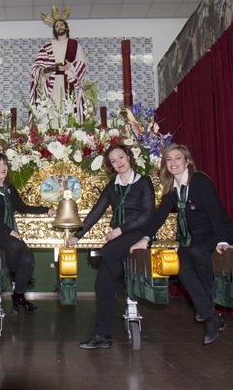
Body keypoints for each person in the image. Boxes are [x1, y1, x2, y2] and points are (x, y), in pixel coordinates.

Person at [130, 143, 233, 346]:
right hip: (194, 237)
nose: (173, 163)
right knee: (181, 265)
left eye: (177, 158)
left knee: (197, 252)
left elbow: (215, 213)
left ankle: (206, 308)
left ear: (187, 161)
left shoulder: (200, 181)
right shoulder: (173, 188)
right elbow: (159, 215)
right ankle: (211, 316)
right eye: (169, 160)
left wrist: (223, 241)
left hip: (216, 232)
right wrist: (145, 239)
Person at [69, 145, 155, 349]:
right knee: (102, 284)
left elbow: (147, 214)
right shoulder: (112, 187)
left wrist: (120, 230)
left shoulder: (143, 182)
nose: (119, 162)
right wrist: (77, 236)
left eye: (121, 157)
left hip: (139, 233)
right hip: (121, 237)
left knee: (107, 251)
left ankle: (122, 282)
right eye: (114, 161)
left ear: (129, 157)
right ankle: (102, 335)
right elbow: (96, 212)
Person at [0, 153, 55, 313]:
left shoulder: (9, 188)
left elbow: (23, 208)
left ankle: (18, 295)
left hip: (7, 234)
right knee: (14, 246)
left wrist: (46, 210)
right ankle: (14, 273)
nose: (3, 167)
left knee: (28, 259)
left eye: (5, 163)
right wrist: (9, 230)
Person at [30, 11, 88, 123]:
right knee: (51, 114)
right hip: (51, 84)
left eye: (61, 25)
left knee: (69, 113)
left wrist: (70, 66)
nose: (59, 27)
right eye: (56, 26)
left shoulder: (74, 45)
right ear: (54, 29)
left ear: (66, 27)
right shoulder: (46, 47)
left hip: (68, 81)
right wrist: (42, 71)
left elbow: (83, 63)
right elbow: (36, 66)